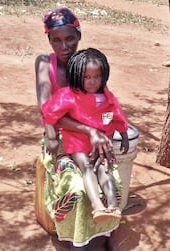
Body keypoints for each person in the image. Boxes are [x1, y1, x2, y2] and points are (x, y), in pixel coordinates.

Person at [34, 7, 121, 251]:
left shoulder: (88, 63)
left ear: (79, 35)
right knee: (74, 185)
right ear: (49, 40)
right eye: (57, 40)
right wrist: (90, 131)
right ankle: (75, 239)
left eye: (70, 38)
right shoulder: (44, 63)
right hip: (58, 138)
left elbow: (104, 103)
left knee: (110, 173)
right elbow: (47, 111)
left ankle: (109, 231)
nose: (64, 46)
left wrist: (105, 133)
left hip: (91, 135)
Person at [41, 47, 129, 223]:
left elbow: (114, 115)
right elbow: (50, 113)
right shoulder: (69, 95)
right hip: (77, 142)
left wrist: (123, 133)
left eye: (96, 77)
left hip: (100, 144)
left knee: (104, 169)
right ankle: (97, 206)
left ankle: (112, 207)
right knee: (87, 167)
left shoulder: (106, 97)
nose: (92, 82)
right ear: (77, 76)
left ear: (103, 76)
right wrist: (51, 137)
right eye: (87, 77)